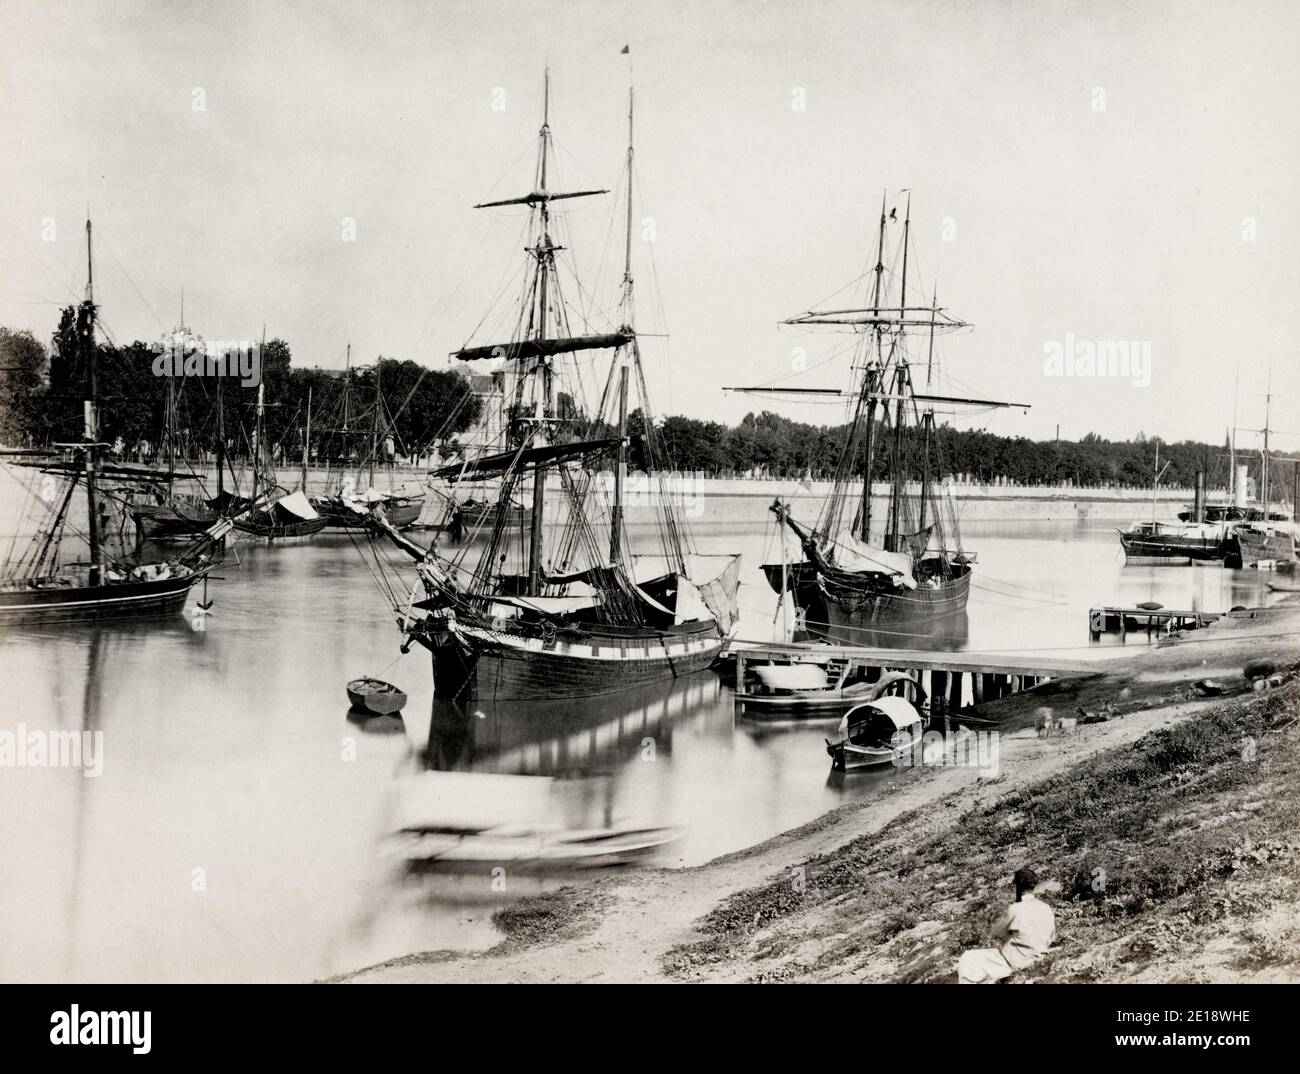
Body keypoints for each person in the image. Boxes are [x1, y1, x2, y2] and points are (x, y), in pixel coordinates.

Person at [957, 867, 1055, 984]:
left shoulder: (1015, 909)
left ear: (1017, 887)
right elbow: (1051, 937)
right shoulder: (1046, 908)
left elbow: (996, 932)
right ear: (1034, 886)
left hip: (1015, 961)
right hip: (1039, 959)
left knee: (968, 958)